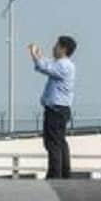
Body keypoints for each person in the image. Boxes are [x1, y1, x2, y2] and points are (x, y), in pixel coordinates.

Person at [28, 35, 76, 179]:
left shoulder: (63, 65)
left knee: (53, 143)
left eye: (56, 46)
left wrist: (33, 54)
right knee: (60, 142)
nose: (53, 48)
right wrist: (39, 56)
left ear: (63, 49)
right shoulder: (65, 65)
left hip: (55, 110)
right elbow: (47, 64)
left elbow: (44, 67)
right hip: (61, 109)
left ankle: (55, 176)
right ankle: (64, 174)